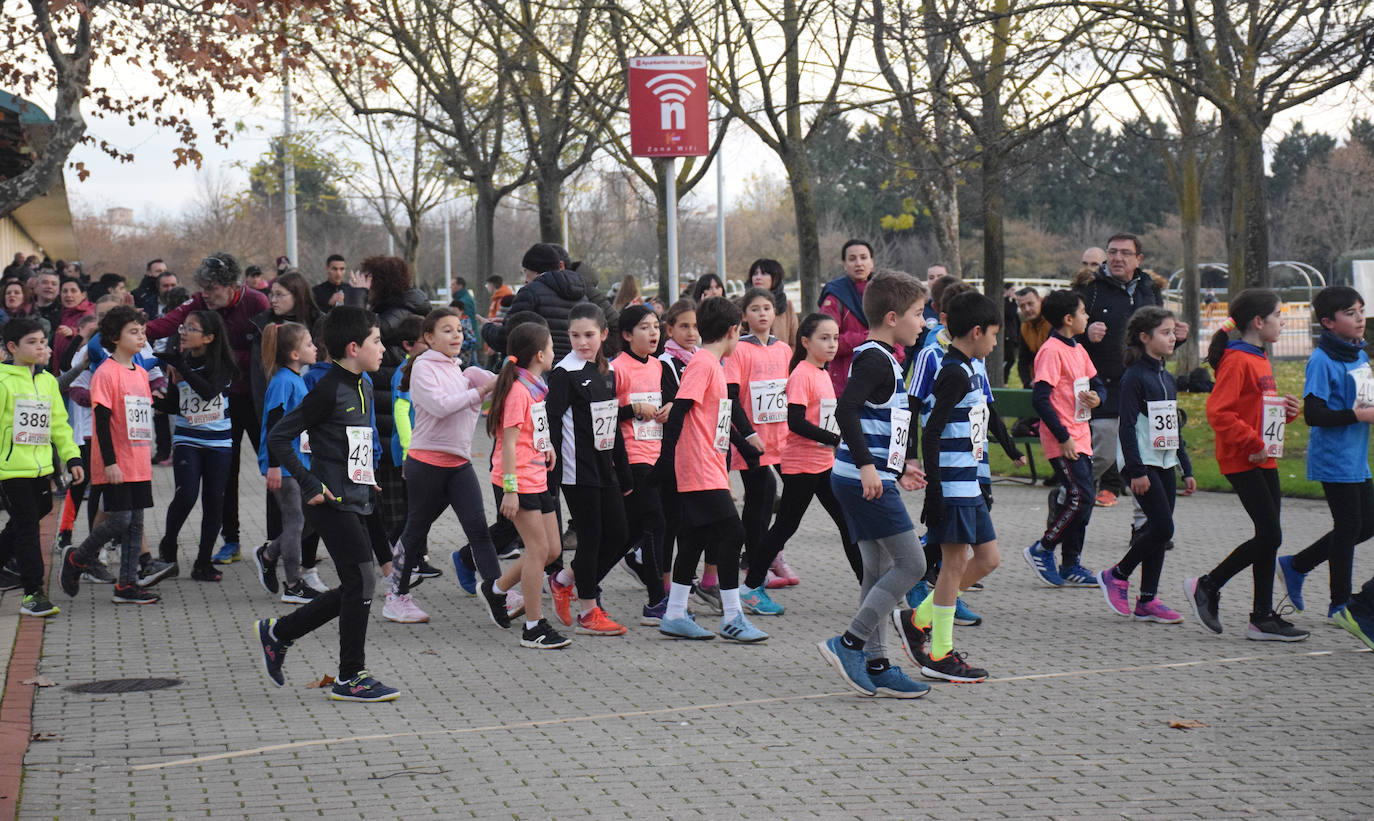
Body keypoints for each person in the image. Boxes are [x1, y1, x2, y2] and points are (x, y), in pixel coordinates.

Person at [254, 305, 402, 702]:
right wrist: (308, 483)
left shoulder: (364, 385)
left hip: (356, 495)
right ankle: (350, 676)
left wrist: (368, 479)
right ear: (354, 347)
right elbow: (279, 437)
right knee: (363, 581)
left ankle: (279, 632)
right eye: (376, 341)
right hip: (328, 500)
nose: (383, 348)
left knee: (357, 583)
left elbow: (357, 443)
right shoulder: (327, 389)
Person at [816, 271, 930, 697]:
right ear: (892, 316)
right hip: (863, 481)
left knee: (878, 570)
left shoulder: (888, 359)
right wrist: (867, 466)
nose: (923, 322)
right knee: (913, 565)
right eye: (918, 314)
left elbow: (878, 423)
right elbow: (846, 410)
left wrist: (898, 466)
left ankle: (879, 664)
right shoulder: (874, 358)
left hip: (872, 477)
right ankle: (850, 643)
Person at [1184, 289, 1307, 640]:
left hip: (1263, 458)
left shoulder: (1259, 357)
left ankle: (1262, 617)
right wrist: (1254, 443)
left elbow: (1259, 411)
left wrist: (1286, 414)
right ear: (1258, 321)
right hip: (1242, 459)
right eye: (1278, 315)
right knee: (1270, 534)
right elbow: (1218, 412)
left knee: (1269, 538)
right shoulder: (1238, 360)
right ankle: (1207, 585)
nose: (1283, 321)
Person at [902, 290, 1006, 683]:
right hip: (952, 483)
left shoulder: (970, 368)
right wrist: (935, 491)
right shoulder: (952, 371)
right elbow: (931, 431)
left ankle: (918, 618)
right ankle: (940, 654)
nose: (995, 344)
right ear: (976, 332)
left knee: (988, 559)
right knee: (953, 564)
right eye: (993, 335)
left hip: (970, 481)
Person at [654, 296, 769, 644]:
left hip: (711, 464)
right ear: (733, 331)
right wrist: (664, 461)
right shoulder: (703, 364)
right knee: (732, 533)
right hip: (699, 465)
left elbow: (715, 418)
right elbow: (679, 411)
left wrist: (745, 448)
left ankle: (674, 613)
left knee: (696, 537)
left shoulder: (712, 366)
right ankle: (733, 617)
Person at [145, 253, 270, 563]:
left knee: (272, 469)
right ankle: (232, 540)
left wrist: (224, 359)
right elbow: (165, 325)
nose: (206, 296)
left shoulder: (257, 303)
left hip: (254, 398)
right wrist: (130, 331)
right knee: (226, 477)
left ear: (232, 286)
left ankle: (279, 540)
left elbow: (269, 349)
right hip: (217, 402)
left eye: (212, 290)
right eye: (203, 289)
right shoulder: (200, 301)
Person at [388, 309, 504, 623]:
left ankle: (498, 593)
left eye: (459, 331)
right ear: (428, 337)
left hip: (459, 464)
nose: (457, 336)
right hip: (426, 465)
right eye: (447, 330)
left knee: (479, 530)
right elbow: (440, 406)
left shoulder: (460, 369)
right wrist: (479, 391)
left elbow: (501, 386)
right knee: (415, 531)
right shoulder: (424, 368)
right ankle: (396, 597)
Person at [744, 313, 854, 615]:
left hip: (822, 463)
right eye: (824, 338)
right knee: (785, 527)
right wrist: (833, 438)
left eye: (835, 337)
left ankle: (870, 585)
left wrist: (835, 438)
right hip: (802, 466)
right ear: (805, 342)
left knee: (847, 522)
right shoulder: (802, 374)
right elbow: (795, 422)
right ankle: (751, 586)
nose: (832, 344)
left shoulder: (821, 372)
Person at [1279, 286, 1374, 624]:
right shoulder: (1321, 360)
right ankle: (1341, 604)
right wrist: (1359, 416)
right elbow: (1313, 415)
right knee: (1348, 527)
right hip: (1333, 457)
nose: (1360, 318)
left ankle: (1297, 564)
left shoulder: (1359, 353)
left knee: (1367, 524)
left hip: (1357, 456)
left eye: (1361, 310)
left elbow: (1362, 399)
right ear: (1328, 322)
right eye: (1350, 313)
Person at [1096, 307, 1194, 624]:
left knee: (1156, 530)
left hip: (1164, 461)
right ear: (1144, 337)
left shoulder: (1165, 376)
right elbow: (1126, 428)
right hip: (1142, 462)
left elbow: (1172, 426)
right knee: (1163, 528)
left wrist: (1186, 467)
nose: (1172, 338)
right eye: (1165, 333)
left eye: (1172, 332)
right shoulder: (1134, 377)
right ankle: (1117, 574)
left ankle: (1147, 600)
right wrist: (1136, 470)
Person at [60, 306, 160, 604]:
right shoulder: (105, 373)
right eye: (133, 331)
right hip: (115, 461)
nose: (141, 336)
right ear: (114, 337)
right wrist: (111, 461)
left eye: (142, 331)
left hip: (139, 458)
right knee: (120, 520)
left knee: (136, 523)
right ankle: (78, 558)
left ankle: (126, 585)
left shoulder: (140, 372)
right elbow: (101, 421)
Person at [482, 321, 573, 649]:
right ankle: (534, 627)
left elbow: (534, 429)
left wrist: (545, 445)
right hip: (518, 481)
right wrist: (509, 489)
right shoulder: (519, 391)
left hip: (535, 476)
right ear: (538, 354)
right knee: (537, 551)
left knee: (552, 550)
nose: (554, 352)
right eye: (550, 347)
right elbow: (506, 444)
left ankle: (496, 589)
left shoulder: (536, 386)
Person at [545, 302, 633, 635]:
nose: (583, 342)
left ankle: (564, 579)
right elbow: (551, 423)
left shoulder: (605, 372)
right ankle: (588, 610)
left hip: (603, 467)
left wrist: (622, 470)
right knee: (591, 537)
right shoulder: (564, 373)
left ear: (604, 335)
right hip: (575, 470)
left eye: (590, 335)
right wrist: (551, 474)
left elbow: (611, 424)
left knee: (620, 534)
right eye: (576, 335)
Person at [1074, 235, 1180, 509]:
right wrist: (1086, 332)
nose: (1118, 258)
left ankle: (1147, 526)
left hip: (1147, 387)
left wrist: (1177, 337)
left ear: (1138, 259)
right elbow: (1064, 331)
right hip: (1107, 387)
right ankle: (1068, 498)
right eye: (1113, 252)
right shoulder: (1091, 289)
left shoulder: (1149, 290)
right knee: (1104, 454)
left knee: (1148, 460)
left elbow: (1157, 337)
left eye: (1125, 253)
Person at [343, 256, 431, 544]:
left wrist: (357, 297)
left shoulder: (401, 310)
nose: (365, 283)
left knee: (394, 491)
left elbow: (357, 329)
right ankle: (398, 549)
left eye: (369, 279)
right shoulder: (393, 307)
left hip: (389, 410)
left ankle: (400, 550)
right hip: (381, 405)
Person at [0, 318, 84, 617]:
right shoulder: (3, 381)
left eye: (43, 342)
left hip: (41, 469)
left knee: (37, 512)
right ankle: (33, 594)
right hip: (9, 470)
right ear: (12, 347)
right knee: (27, 528)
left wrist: (72, 458)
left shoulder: (47, 380)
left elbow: (60, 425)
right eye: (32, 342)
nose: (41, 348)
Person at [1023, 290, 1105, 588]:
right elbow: (1041, 399)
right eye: (1083, 312)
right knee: (1080, 497)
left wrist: (1098, 397)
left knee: (1085, 501)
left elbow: (1096, 384)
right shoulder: (1051, 350)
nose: (1087, 317)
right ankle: (1042, 549)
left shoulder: (1079, 350)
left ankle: (1071, 564)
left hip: (1082, 434)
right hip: (1064, 440)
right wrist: (1063, 437)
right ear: (1069, 319)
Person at [154, 311, 237, 581]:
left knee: (214, 501)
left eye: (192, 328)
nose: (184, 332)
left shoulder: (223, 364)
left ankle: (203, 562)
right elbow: (174, 404)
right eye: (183, 327)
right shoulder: (181, 364)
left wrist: (182, 370)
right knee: (187, 495)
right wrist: (153, 398)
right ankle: (168, 548)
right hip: (187, 439)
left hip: (219, 443)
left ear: (210, 337)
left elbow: (209, 391)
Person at [611, 304, 674, 623]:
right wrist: (633, 408)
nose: (653, 333)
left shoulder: (659, 366)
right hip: (632, 458)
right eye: (645, 328)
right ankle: (656, 602)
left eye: (655, 327)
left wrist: (667, 408)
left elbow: (669, 400)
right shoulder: (616, 368)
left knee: (625, 534)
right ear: (626, 334)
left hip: (656, 453)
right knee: (656, 526)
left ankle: (571, 579)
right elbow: (604, 415)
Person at [725, 287, 791, 587]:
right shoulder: (738, 349)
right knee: (761, 494)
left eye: (767, 307)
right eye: (755, 308)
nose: (762, 313)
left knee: (790, 495)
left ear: (775, 312)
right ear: (744, 316)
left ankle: (767, 553)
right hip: (752, 438)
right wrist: (747, 433)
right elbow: (732, 396)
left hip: (782, 437)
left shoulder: (784, 349)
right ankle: (755, 561)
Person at [252, 321, 321, 604]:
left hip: (300, 463)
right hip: (284, 465)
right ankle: (293, 584)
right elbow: (273, 425)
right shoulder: (282, 381)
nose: (315, 348)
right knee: (295, 521)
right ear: (294, 354)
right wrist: (274, 466)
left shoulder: (297, 379)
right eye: (308, 344)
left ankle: (267, 555)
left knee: (309, 520)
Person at [819, 239, 905, 398]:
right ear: (844, 264)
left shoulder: (887, 292)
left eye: (863, 257)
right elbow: (826, 341)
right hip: (845, 383)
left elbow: (899, 333)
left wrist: (894, 357)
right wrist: (867, 338)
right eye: (852, 259)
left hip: (884, 376)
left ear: (872, 262)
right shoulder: (835, 296)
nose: (859, 263)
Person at [482, 243, 595, 363]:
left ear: (536, 271)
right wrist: (507, 322)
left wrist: (487, 328)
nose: (525, 279)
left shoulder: (530, 293)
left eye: (526, 271)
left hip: (539, 371)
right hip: (574, 371)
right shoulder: (582, 296)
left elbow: (507, 339)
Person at [748, 259, 799, 349]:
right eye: (755, 274)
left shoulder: (787, 306)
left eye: (763, 274)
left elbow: (794, 341)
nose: (758, 277)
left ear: (775, 278)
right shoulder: (742, 305)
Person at [51, 277, 92, 374]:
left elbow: (90, 332)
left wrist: (73, 332)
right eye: (65, 291)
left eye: (73, 291)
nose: (68, 295)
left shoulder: (89, 313)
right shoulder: (62, 313)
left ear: (83, 295)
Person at [1015, 287, 1050, 389]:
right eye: (1022, 306)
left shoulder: (1052, 323)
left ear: (1040, 301)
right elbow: (1023, 361)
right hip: (1033, 385)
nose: (1027, 309)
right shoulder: (1024, 328)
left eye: (1030, 304)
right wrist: (1028, 383)